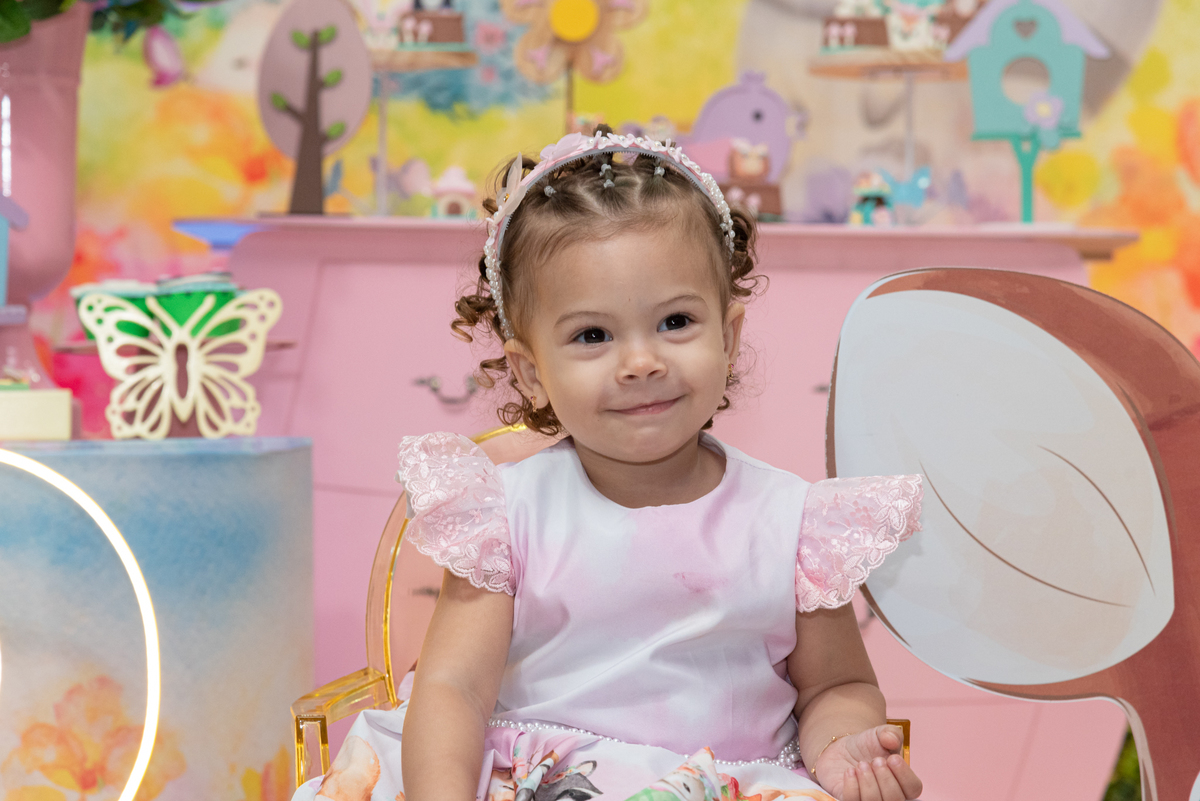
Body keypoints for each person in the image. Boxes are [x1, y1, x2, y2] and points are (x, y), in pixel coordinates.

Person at [294, 129, 925, 801]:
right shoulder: (506, 517)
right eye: (592, 335)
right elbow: (453, 688)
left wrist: (842, 744)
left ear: (728, 335)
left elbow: (835, 685)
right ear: (530, 372)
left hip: (725, 782)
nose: (641, 361)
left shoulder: (788, 523)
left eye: (675, 322)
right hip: (542, 781)